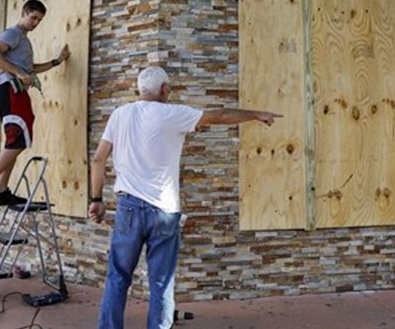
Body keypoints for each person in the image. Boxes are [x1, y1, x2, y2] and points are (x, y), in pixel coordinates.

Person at [88, 67, 281, 329]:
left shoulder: (119, 115)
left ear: (139, 90)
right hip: (164, 212)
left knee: (117, 278)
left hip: (128, 208)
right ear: (164, 89)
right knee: (161, 283)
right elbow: (220, 115)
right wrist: (257, 114)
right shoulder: (173, 113)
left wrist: (96, 199)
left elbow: (98, 159)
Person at [0, 0, 71, 205]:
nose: (35, 23)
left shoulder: (23, 40)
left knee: (16, 141)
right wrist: (17, 72)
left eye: (39, 20)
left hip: (15, 91)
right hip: (10, 90)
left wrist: (56, 62)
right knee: (18, 140)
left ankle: (2, 189)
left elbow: (29, 69)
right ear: (23, 13)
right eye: (33, 17)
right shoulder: (14, 33)